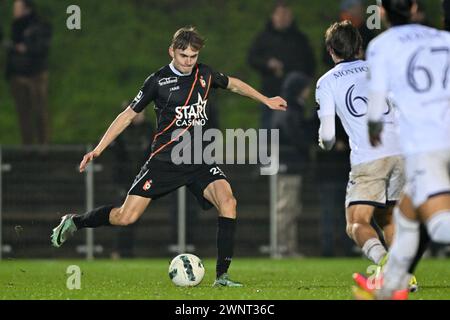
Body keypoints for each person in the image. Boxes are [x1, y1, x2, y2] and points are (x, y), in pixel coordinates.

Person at [51, 26, 287, 287]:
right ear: (171, 52)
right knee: (125, 217)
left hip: (199, 158)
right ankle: (74, 221)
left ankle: (222, 276)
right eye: (183, 55)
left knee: (228, 201)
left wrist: (265, 99)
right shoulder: (158, 81)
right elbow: (128, 116)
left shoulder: (205, 74)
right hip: (165, 161)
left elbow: (234, 84)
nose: (188, 62)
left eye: (193, 56)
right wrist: (98, 149)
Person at [352, 0, 450, 300]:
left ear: (381, 12)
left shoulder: (383, 45)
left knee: (440, 226)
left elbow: (375, 102)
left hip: (428, 142)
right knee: (406, 216)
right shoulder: (443, 39)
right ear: (415, 7)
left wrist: (373, 130)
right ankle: (391, 287)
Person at [315, 21, 412, 280]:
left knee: (356, 223)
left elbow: (327, 136)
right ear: (359, 47)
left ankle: (391, 268)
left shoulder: (327, 82)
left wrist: (323, 144)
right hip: (402, 152)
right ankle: (402, 274)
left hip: (370, 156)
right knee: (388, 217)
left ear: (330, 50)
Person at [248, 1, 316, 129]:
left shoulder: (300, 39)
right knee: (268, 130)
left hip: (294, 97)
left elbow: (310, 64)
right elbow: (252, 58)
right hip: (270, 92)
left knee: (294, 130)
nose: (283, 18)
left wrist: (303, 83)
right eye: (280, 15)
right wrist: (268, 64)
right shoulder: (264, 37)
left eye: (286, 15)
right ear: (273, 16)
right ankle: (267, 149)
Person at [6, 0, 52, 145]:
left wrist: (25, 48)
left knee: (39, 112)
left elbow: (42, 48)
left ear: (26, 9)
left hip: (35, 75)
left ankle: (43, 146)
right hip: (19, 76)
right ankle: (28, 148)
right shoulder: (16, 26)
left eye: (17, 8)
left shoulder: (38, 26)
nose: (14, 12)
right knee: (23, 115)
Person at [322, 0, 377, 68]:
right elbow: (327, 57)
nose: (362, 9)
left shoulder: (365, 29)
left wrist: (364, 55)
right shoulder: (335, 30)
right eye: (359, 7)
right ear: (350, 9)